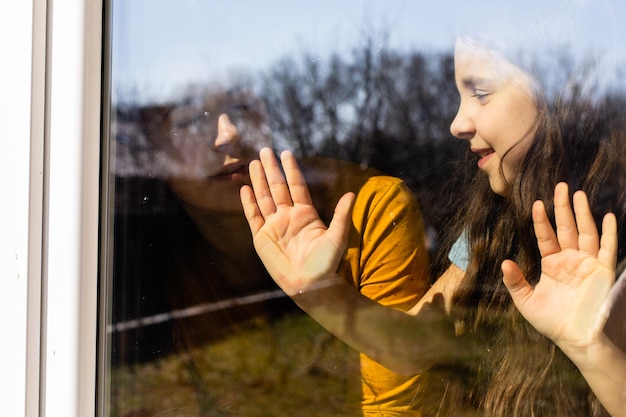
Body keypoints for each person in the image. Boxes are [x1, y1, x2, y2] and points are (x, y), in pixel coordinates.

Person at [240, 32, 626, 416]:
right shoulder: (490, 227)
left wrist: (594, 352)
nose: (457, 123)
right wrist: (320, 292)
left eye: (480, 92)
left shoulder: (616, 231)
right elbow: (416, 345)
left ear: (556, 90)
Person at [112, 85, 432, 415]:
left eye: (242, 106)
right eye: (192, 119)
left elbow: (400, 398)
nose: (229, 133)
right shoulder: (126, 252)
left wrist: (325, 295)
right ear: (153, 148)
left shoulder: (362, 208)